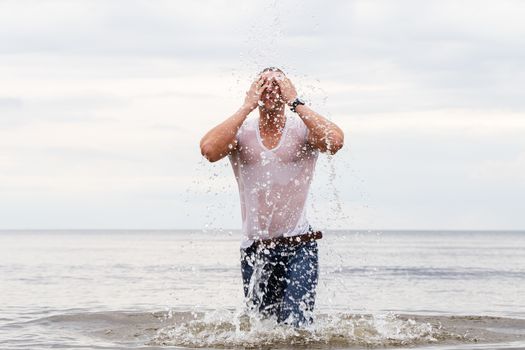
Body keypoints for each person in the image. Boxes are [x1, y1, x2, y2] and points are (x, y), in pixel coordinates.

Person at [199, 67, 344, 327]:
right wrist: (245, 107)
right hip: (255, 249)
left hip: (300, 246)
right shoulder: (242, 132)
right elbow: (209, 150)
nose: (271, 88)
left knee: (296, 327)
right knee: (262, 331)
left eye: (278, 82)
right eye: (263, 83)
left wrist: (296, 102)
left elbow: (334, 141)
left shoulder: (302, 130)